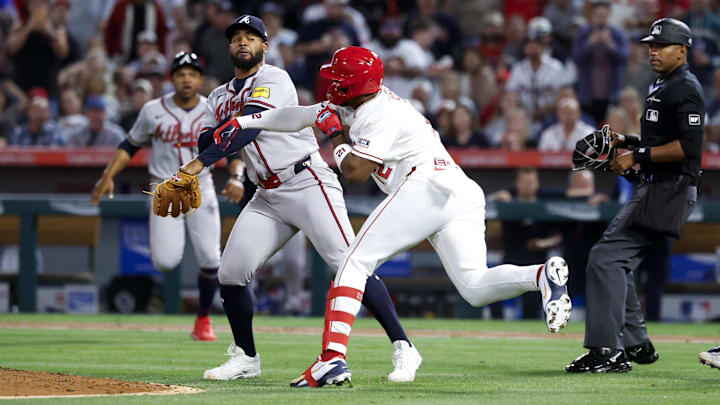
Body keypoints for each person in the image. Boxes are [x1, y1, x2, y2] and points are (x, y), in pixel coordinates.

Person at [209, 46, 573, 387]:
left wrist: (336, 138)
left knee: (353, 261)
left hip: (427, 186)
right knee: (475, 287)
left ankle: (332, 357)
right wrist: (244, 123)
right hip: (458, 192)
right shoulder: (360, 101)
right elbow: (301, 115)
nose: (331, 83)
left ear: (352, 83)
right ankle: (541, 275)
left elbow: (353, 170)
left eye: (338, 78)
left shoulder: (377, 113)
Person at [161, 16, 419, 383]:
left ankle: (403, 347)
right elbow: (207, 139)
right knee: (231, 272)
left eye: (252, 37)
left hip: (306, 181)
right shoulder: (218, 96)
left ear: (265, 46)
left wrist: (201, 160)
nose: (243, 43)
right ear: (229, 47)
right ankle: (246, 358)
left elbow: (247, 129)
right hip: (266, 193)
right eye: (236, 38)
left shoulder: (274, 78)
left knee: (350, 264)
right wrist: (212, 146)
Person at [567, 18, 704, 373]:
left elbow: (688, 148)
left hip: (668, 189)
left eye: (661, 46)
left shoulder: (686, 87)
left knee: (605, 258)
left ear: (682, 51)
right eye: (650, 45)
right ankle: (635, 344)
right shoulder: (663, 83)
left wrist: (637, 156)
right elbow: (659, 142)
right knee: (615, 261)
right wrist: (625, 142)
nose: (653, 51)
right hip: (656, 186)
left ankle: (607, 349)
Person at [90, 52, 244, 342]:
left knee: (211, 258)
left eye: (192, 73)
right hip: (165, 188)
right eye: (181, 73)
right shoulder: (152, 110)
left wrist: (237, 177)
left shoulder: (212, 110)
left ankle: (202, 320)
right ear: (172, 79)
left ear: (200, 78)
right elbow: (130, 145)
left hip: (202, 185)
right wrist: (108, 174)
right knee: (165, 261)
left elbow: (233, 150)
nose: (186, 78)